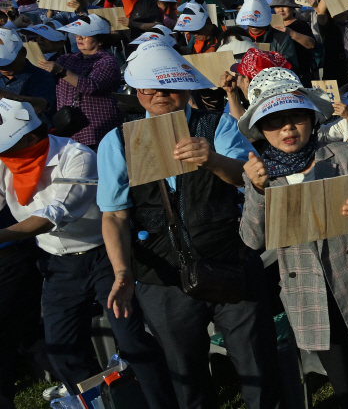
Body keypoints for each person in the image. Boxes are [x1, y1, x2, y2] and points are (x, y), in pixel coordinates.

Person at [96, 44, 283, 409]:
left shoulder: (217, 124)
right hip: (161, 278)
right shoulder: (117, 141)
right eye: (151, 88)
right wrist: (122, 273)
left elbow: (250, 178)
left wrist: (211, 159)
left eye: (170, 88)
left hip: (230, 261)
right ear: (138, 92)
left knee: (258, 369)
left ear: (186, 90)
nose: (162, 96)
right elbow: (114, 214)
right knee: (187, 380)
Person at [236, 69, 348, 409]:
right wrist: (258, 192)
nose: (288, 129)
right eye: (275, 121)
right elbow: (253, 240)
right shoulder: (259, 174)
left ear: (312, 118)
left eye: (296, 117)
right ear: (261, 129)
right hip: (311, 295)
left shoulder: (342, 155)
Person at [0, 99, 178, 407]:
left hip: (105, 255)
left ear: (29, 139)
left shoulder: (77, 157)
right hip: (58, 264)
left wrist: (4, 235)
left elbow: (56, 212)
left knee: (132, 339)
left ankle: (162, 402)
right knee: (62, 350)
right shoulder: (7, 164)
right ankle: (103, 401)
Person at [27, 17, 122, 148]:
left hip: (97, 128)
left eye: (85, 35)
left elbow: (91, 86)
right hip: (68, 129)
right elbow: (44, 79)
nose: (79, 38)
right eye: (77, 34)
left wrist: (60, 71)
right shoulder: (67, 58)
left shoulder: (108, 61)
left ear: (101, 40)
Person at [0, 27, 57, 122]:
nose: (3, 67)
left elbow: (41, 105)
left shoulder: (42, 76)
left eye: (9, 62)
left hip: (35, 134)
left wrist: (5, 96)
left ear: (23, 53)